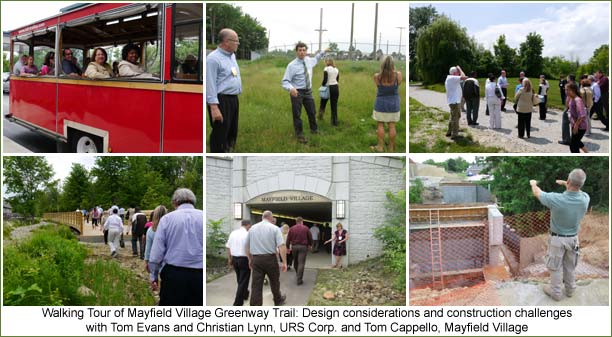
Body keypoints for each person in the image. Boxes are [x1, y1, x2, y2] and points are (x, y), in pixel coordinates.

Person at [529, 169, 589, 301]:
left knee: (555, 267)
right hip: (573, 240)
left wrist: (533, 183)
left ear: (568, 181)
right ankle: (570, 289)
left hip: (557, 240)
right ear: (581, 185)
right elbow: (578, 191)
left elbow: (537, 192)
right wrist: (566, 184)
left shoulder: (556, 199)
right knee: (570, 266)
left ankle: (556, 293)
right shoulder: (585, 199)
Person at [149, 188, 203, 306]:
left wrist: (153, 275)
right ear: (193, 202)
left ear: (174, 203)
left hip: (174, 275)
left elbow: (156, 252)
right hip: (200, 275)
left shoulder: (167, 219)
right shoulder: (203, 216)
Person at [281, 42, 327, 144]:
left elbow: (317, 58)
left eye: (304, 50)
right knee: (297, 114)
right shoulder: (291, 65)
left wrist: (324, 51)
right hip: (297, 92)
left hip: (308, 91)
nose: (302, 52)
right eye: (300, 50)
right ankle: (299, 134)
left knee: (312, 112)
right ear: (296, 52)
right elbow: (285, 81)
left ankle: (314, 130)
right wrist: (291, 89)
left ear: (306, 51)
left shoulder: (309, 61)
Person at [206, 29, 242, 153]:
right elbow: (209, 84)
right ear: (226, 42)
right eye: (236, 41)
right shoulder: (213, 59)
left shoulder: (232, 56)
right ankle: (218, 152)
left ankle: (229, 150)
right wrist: (214, 107)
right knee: (220, 131)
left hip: (233, 98)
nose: (238, 43)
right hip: (221, 100)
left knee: (232, 128)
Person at [245, 210, 287, 306]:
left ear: (262, 217)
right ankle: (278, 300)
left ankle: (255, 306)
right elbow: (281, 246)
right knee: (274, 281)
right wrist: (284, 262)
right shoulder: (275, 228)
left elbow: (246, 246)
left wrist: (250, 259)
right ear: (271, 218)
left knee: (256, 285)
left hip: (256, 259)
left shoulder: (252, 229)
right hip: (270, 259)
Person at [372, 56, 403, 152]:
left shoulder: (377, 76)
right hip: (394, 104)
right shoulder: (398, 75)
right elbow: (398, 85)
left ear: (382, 64)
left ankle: (380, 147)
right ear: (393, 64)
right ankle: (390, 147)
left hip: (380, 104)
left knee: (380, 125)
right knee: (392, 126)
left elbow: (378, 86)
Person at [225, 219, 251, 306]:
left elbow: (228, 247)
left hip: (234, 259)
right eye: (249, 226)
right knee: (243, 281)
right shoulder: (247, 234)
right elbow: (249, 249)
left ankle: (245, 294)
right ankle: (238, 303)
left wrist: (229, 259)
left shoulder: (233, 233)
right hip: (244, 259)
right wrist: (251, 260)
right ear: (248, 225)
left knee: (240, 279)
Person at [145, 205, 167, 287]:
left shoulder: (151, 230)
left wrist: (146, 261)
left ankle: (154, 285)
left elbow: (148, 248)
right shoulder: (169, 229)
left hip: (153, 259)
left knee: (154, 278)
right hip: (166, 260)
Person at [286, 217, 312, 286]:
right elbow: (310, 237)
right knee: (301, 263)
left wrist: (287, 248)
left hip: (294, 247)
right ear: (302, 221)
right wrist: (310, 245)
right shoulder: (306, 228)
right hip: (303, 247)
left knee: (296, 262)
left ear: (296, 221)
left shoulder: (291, 228)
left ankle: (298, 274)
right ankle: (299, 279)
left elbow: (288, 239)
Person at [445, 65, 468, 139]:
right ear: (454, 73)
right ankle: (455, 135)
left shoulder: (451, 78)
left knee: (452, 117)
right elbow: (465, 77)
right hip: (455, 102)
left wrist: (458, 70)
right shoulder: (452, 78)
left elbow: (463, 78)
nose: (459, 73)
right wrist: (460, 69)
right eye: (457, 72)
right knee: (456, 118)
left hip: (453, 101)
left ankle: (449, 131)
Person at [566, 82, 589, 153]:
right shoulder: (572, 98)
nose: (566, 91)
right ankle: (587, 153)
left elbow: (582, 115)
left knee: (573, 147)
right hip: (575, 125)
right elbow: (567, 106)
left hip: (580, 127)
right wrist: (568, 97)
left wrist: (576, 126)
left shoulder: (577, 100)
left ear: (573, 90)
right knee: (576, 142)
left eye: (567, 90)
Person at [318, 58, 340, 126]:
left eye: (325, 61)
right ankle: (334, 122)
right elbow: (337, 79)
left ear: (328, 62)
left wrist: (322, 85)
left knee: (323, 103)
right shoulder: (336, 69)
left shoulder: (326, 69)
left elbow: (325, 79)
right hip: (335, 87)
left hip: (328, 87)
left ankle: (320, 117)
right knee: (334, 105)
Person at [559, 75, 576, 145]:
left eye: (567, 77)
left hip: (570, 106)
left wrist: (566, 107)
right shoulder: (576, 84)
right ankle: (574, 139)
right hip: (575, 105)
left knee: (565, 123)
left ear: (569, 79)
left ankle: (566, 140)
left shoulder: (570, 85)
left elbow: (569, 96)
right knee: (573, 123)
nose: (566, 79)